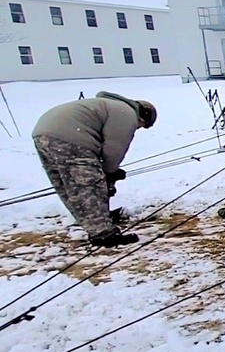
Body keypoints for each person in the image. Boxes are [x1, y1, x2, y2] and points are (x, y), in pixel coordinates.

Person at [31, 91, 158, 247]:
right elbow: (114, 148)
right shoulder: (127, 113)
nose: (137, 129)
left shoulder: (109, 106)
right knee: (90, 185)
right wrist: (110, 172)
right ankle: (103, 233)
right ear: (143, 116)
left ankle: (95, 222)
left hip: (43, 134)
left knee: (69, 186)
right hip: (71, 138)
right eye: (141, 126)